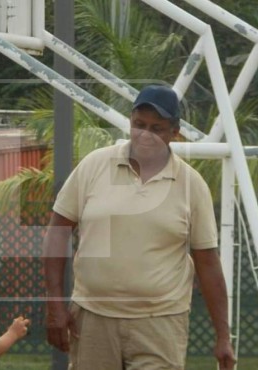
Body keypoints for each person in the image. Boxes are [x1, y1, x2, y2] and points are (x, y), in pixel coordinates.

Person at [43, 85, 236, 369]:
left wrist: (223, 336)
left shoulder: (191, 185)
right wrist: (54, 304)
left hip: (160, 323)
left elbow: (208, 264)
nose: (145, 135)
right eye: (139, 125)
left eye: (157, 128)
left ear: (175, 133)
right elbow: (56, 234)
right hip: (93, 318)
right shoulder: (94, 165)